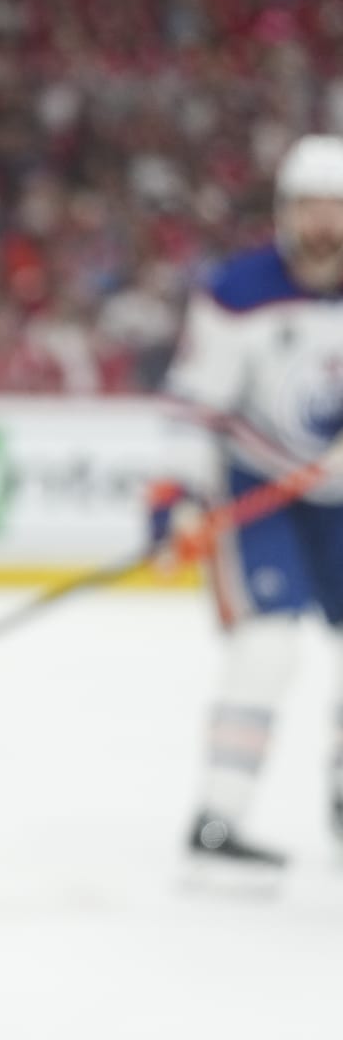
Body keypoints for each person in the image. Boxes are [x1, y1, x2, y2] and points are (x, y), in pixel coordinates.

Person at [151, 132, 343, 873]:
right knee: (266, 648)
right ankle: (218, 820)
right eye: (307, 208)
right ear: (283, 212)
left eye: (334, 208)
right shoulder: (239, 290)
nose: (321, 225)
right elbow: (194, 408)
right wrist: (176, 503)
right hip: (261, 489)